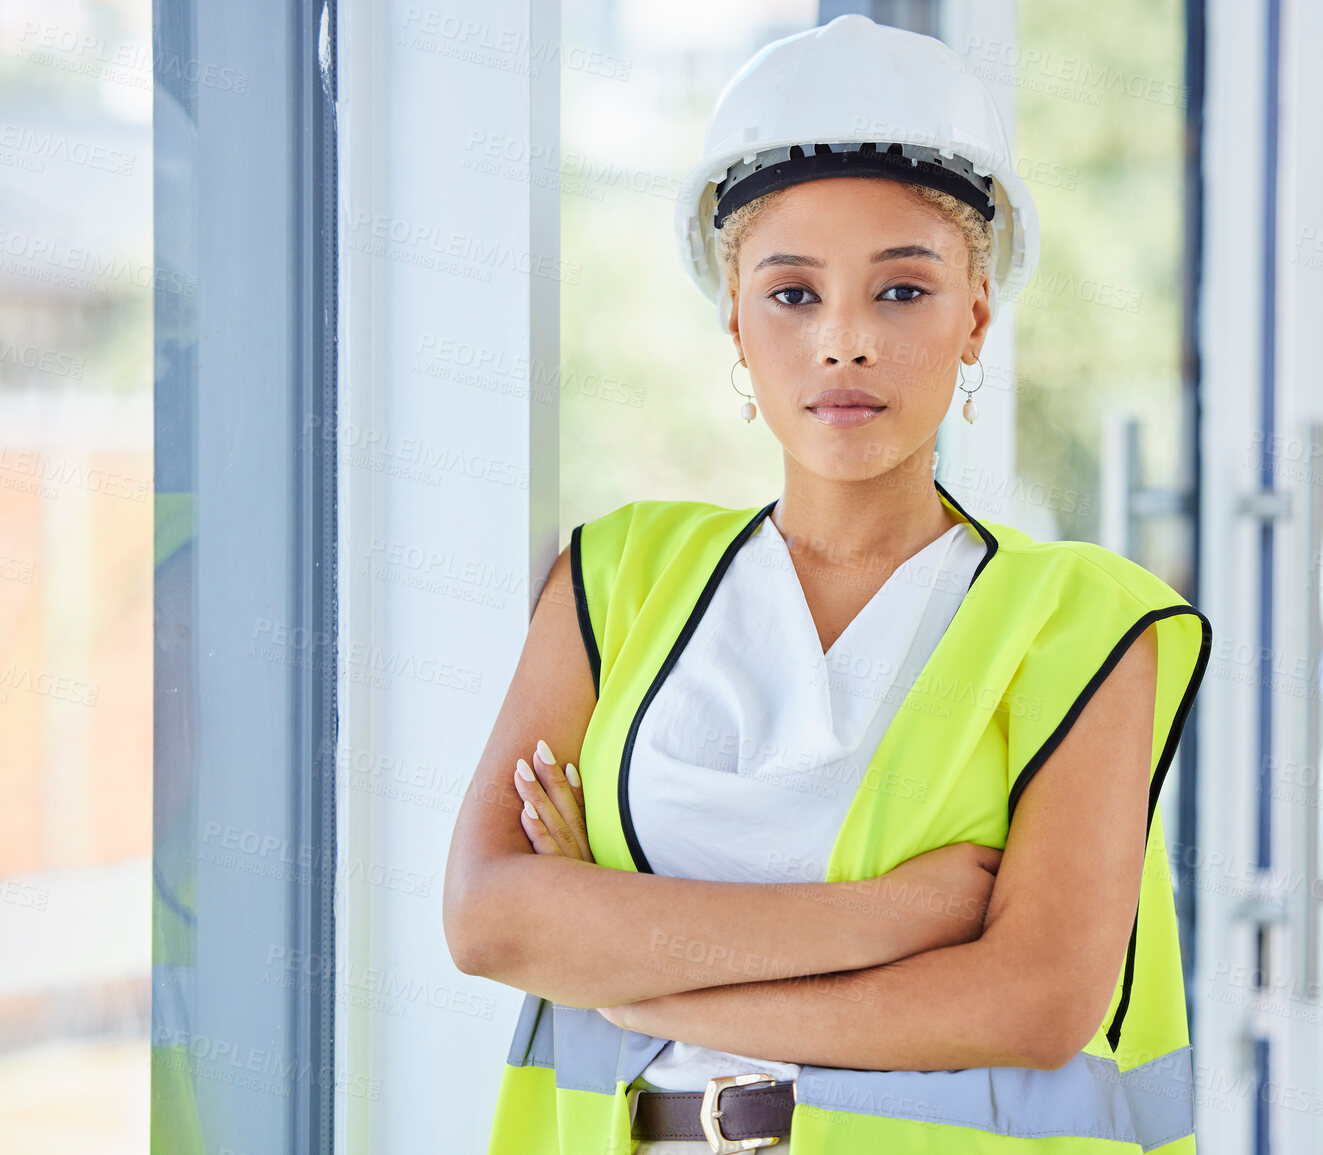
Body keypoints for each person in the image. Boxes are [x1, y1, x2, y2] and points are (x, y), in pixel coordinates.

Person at [442, 14, 1212, 1155]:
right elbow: (490, 917)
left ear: (976, 317)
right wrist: (890, 919)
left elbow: (1037, 1003)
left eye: (901, 291)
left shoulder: (1085, 624)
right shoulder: (615, 578)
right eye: (793, 293)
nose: (843, 341)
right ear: (736, 321)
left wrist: (639, 975)